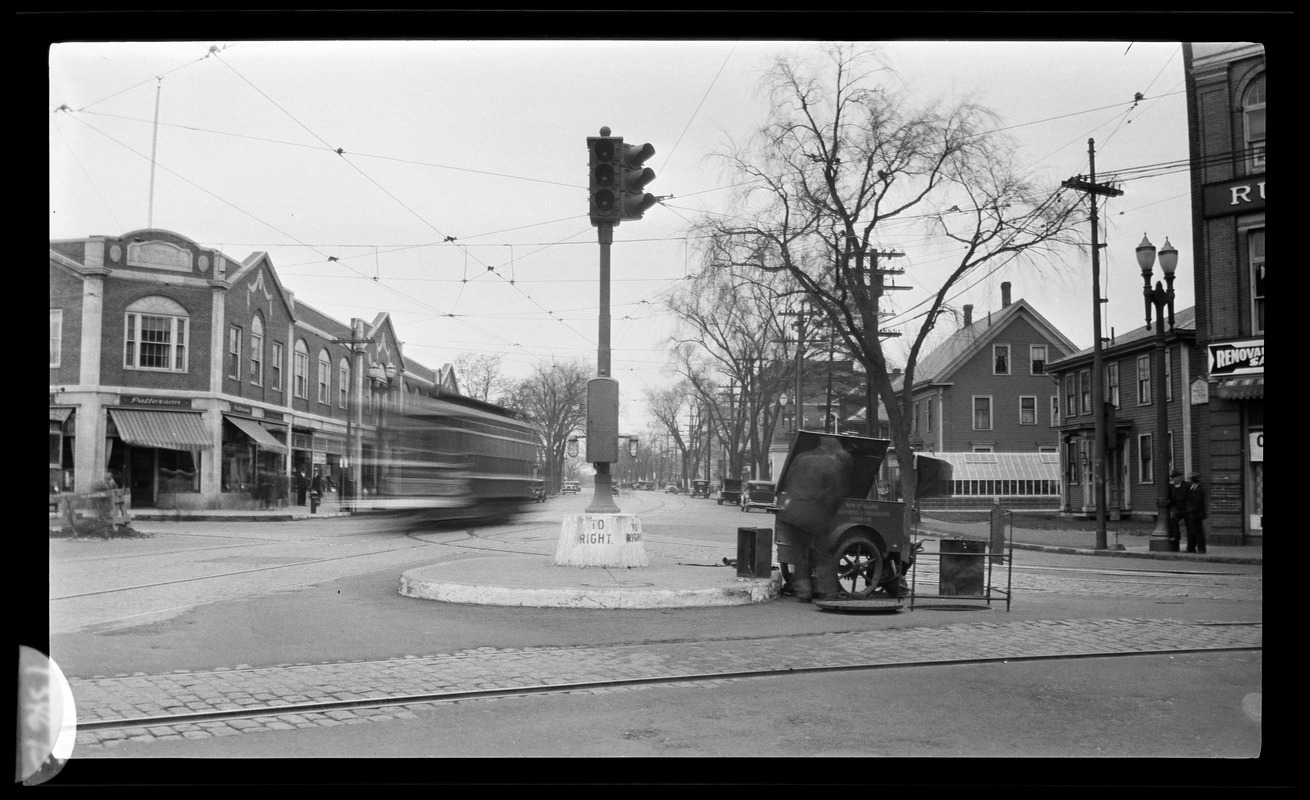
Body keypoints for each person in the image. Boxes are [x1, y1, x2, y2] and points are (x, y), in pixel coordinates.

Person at [1181, 474, 1208, 554]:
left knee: (1198, 531)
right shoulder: (1193, 488)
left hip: (1195, 514)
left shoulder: (1198, 489)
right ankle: (1191, 548)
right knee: (1191, 531)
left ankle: (1201, 548)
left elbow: (1196, 502)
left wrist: (1189, 510)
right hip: (1191, 513)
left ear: (1192, 481)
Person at [1167, 470, 1187, 548]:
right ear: (1173, 479)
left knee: (1190, 525)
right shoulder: (1171, 487)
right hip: (1177, 508)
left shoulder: (1186, 485)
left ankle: (1191, 545)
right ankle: (1176, 536)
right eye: (1175, 478)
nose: (1177, 479)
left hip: (1186, 508)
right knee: (1172, 519)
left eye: (1179, 477)